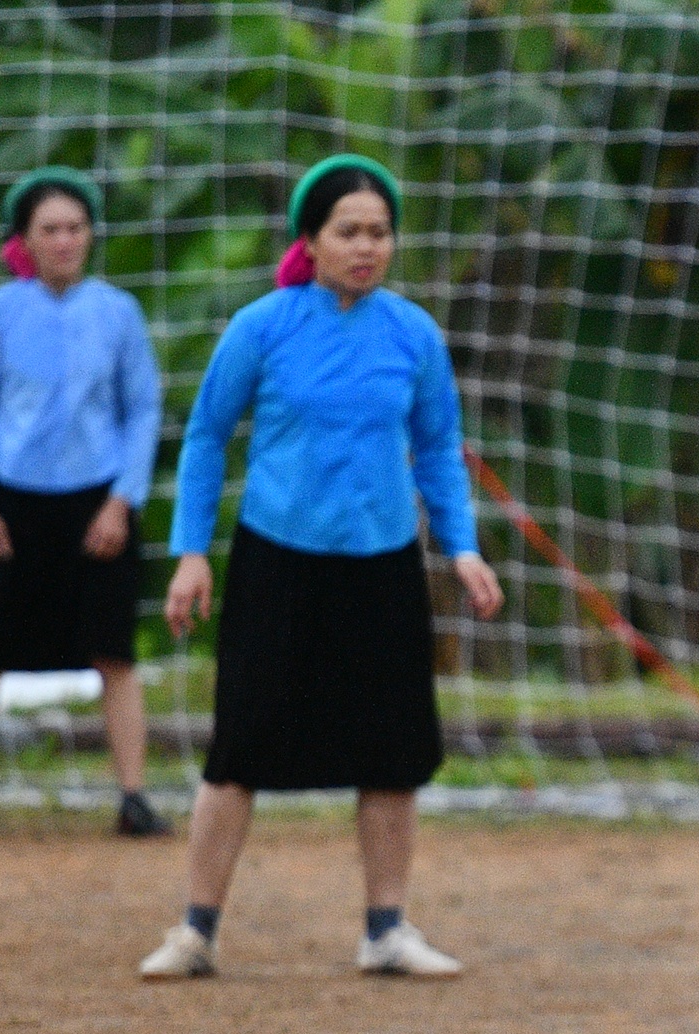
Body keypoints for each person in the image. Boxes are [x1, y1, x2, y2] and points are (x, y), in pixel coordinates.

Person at [135, 154, 504, 980]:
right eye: (349, 231)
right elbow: (204, 437)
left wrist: (465, 546)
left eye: (380, 232)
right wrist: (191, 553)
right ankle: (195, 931)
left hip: (381, 564)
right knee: (240, 748)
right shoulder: (261, 326)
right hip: (277, 561)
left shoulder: (413, 333)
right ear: (311, 238)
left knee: (394, 751)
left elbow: (440, 448)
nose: (367, 246)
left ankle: (386, 929)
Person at [0, 166, 168, 838]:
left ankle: (134, 797)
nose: (64, 239)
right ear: (26, 237)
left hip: (96, 501)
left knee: (113, 653)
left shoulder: (118, 312)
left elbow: (142, 411)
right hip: (12, 504)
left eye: (76, 227)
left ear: (90, 236)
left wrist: (122, 500)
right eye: (50, 228)